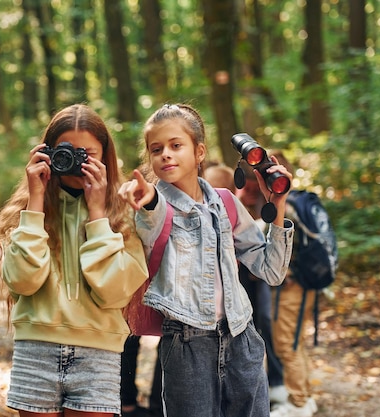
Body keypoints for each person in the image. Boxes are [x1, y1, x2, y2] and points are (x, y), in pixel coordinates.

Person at [117, 103, 294, 417]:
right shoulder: (153, 205)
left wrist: (277, 205)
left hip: (242, 338)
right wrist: (146, 199)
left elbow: (272, 271)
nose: (166, 155)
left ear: (199, 152)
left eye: (176, 145)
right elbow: (153, 216)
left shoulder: (225, 202)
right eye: (156, 149)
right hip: (187, 346)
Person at [0, 104, 149, 417]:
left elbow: (114, 292)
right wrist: (36, 202)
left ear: (106, 156)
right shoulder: (25, 214)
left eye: (88, 154)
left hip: (99, 353)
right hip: (36, 347)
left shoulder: (127, 214)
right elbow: (24, 280)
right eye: (68, 152)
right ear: (48, 154)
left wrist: (98, 214)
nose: (78, 164)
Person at [269, 151, 319, 417]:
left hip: (292, 286)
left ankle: (298, 403)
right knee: (295, 342)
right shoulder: (299, 202)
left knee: (287, 344)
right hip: (305, 285)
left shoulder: (286, 207)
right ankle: (305, 396)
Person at [234, 165, 288, 407]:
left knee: (263, 324)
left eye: (255, 186)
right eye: (246, 185)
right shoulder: (229, 203)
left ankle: (273, 383)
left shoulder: (263, 202)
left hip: (258, 279)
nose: (251, 191)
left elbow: (271, 268)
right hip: (239, 282)